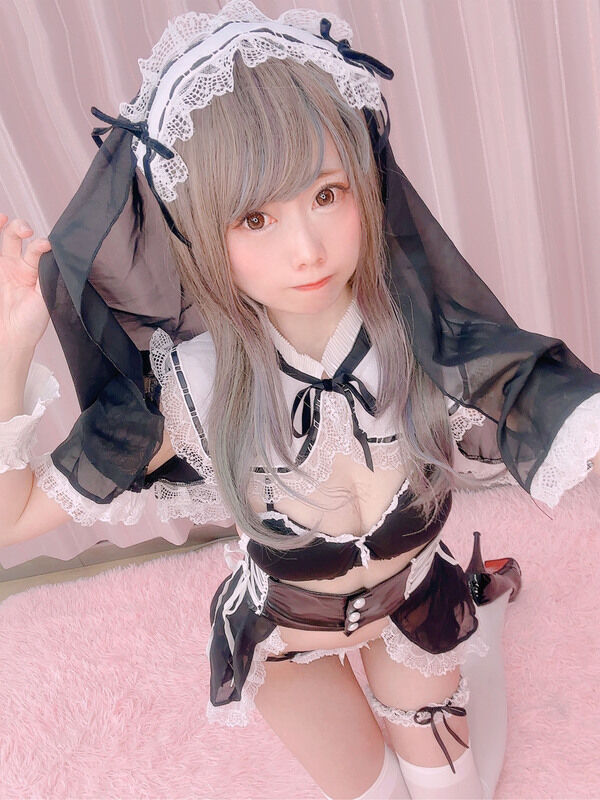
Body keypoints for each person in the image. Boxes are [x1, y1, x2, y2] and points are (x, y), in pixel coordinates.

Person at [1, 3, 599, 798]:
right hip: (291, 642)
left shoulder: (425, 339)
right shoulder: (191, 388)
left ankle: (476, 609)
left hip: (414, 604)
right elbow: (12, 517)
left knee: (454, 795)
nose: (306, 249)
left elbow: (558, 402)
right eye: (256, 217)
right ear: (199, 233)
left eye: (326, 194)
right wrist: (11, 346)